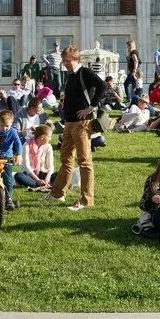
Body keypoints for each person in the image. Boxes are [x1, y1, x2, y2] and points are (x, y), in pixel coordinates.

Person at [45, 45, 106, 210]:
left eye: (68, 60)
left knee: (84, 161)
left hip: (82, 123)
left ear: (77, 59)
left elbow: (102, 86)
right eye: (64, 60)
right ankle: (58, 194)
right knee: (66, 159)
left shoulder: (84, 73)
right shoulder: (70, 75)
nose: (65, 63)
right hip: (69, 123)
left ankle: (86, 199)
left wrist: (91, 107)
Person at [17, 125, 55, 191]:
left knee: (59, 175)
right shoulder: (26, 145)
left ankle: (43, 184)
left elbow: (50, 166)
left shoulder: (48, 146)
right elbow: (27, 167)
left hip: (41, 172)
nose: (50, 139)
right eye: (49, 137)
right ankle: (41, 185)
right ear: (42, 137)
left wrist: (47, 178)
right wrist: (37, 180)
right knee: (18, 176)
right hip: (29, 174)